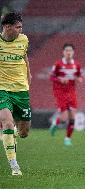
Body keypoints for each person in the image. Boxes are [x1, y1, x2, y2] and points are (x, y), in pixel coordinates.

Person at [0, 12, 32, 176]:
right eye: (17, 27)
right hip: (2, 89)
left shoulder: (24, 40)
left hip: (21, 89)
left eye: (21, 27)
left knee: (24, 132)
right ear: (7, 26)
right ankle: (14, 166)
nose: (20, 30)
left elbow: (24, 56)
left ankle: (12, 135)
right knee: (7, 123)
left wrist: (29, 74)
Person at [49, 43, 83, 146]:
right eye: (66, 51)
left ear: (73, 52)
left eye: (70, 51)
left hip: (71, 92)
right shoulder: (58, 64)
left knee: (72, 117)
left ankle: (67, 139)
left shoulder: (76, 65)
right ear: (63, 52)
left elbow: (79, 75)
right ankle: (56, 123)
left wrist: (79, 79)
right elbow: (51, 77)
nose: (68, 52)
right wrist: (60, 79)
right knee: (64, 117)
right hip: (60, 92)